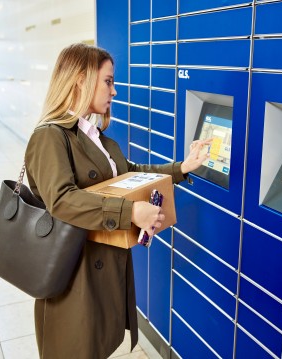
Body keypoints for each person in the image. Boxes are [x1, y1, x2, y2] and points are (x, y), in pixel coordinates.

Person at [24, 43, 211, 359]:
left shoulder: (97, 137)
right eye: (108, 81)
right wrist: (130, 211)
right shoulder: (51, 136)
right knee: (75, 348)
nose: (114, 90)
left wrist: (181, 168)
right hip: (74, 275)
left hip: (102, 265)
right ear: (80, 80)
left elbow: (131, 172)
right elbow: (62, 200)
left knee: (97, 345)